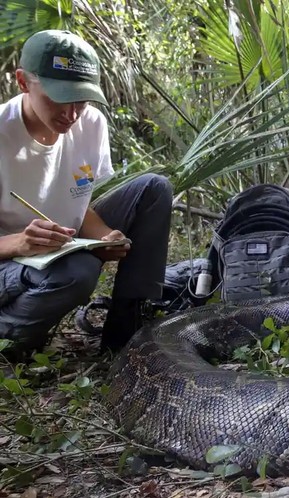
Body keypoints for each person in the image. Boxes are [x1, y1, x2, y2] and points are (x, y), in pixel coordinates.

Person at [0, 30, 173, 358]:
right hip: (9, 262)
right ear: (23, 82)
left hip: (58, 247)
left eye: (80, 99)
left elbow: (77, 204)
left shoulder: (90, 124)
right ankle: (11, 337)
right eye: (57, 97)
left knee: (153, 188)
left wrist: (106, 237)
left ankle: (126, 329)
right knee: (78, 271)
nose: (71, 114)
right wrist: (19, 243)